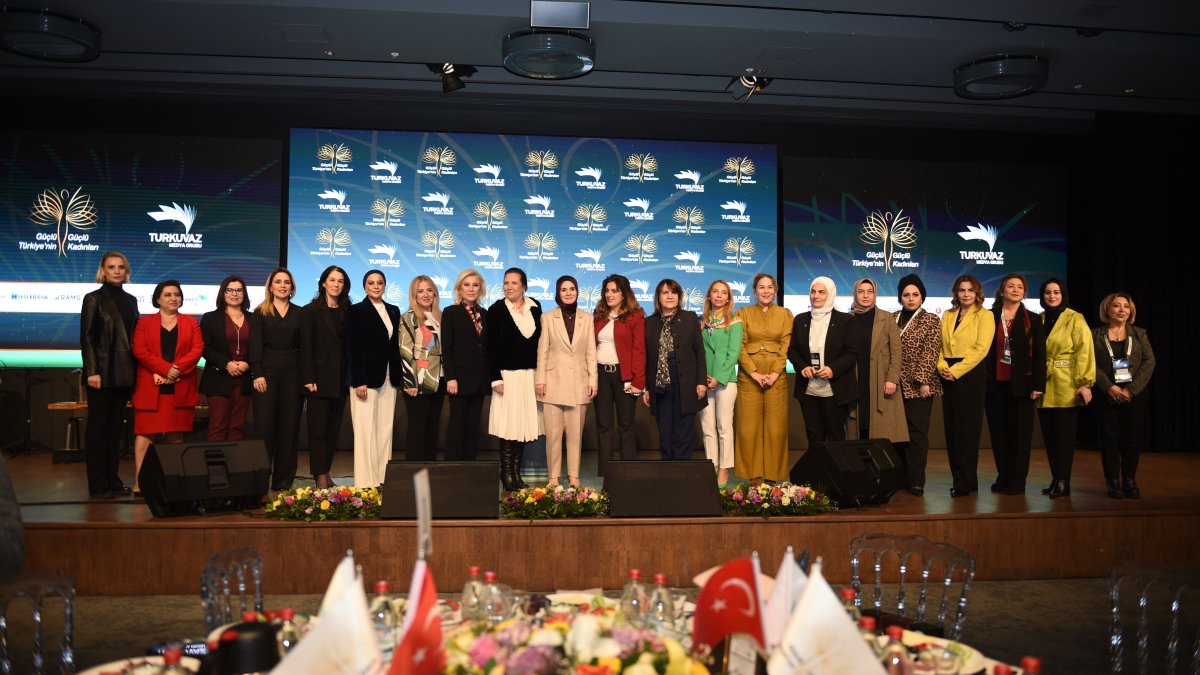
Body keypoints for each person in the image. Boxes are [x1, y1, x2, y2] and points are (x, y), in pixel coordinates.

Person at [131, 280, 204, 494]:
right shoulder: (144, 323)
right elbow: (140, 350)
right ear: (157, 299)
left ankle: (173, 481)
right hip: (150, 387)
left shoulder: (191, 323)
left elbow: (197, 349)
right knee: (145, 434)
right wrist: (165, 369)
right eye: (168, 294)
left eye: (177, 294)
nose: (174, 298)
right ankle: (140, 482)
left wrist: (176, 370)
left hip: (180, 385)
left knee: (175, 437)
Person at [79, 251, 138, 499]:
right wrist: (92, 371)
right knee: (98, 430)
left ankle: (112, 479)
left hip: (123, 374)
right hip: (101, 374)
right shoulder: (93, 298)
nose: (116, 271)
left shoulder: (132, 300)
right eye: (111, 267)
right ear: (102, 270)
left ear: (126, 271)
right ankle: (98, 483)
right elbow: (88, 337)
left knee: (116, 431)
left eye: (121, 267)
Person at [984, 274, 1046, 495]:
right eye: (1011, 286)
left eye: (1020, 287)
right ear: (1002, 291)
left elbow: (1040, 355)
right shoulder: (988, 317)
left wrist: (1038, 385)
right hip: (994, 385)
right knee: (999, 434)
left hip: (1023, 386)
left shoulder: (1033, 319)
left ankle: (1018, 480)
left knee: (1020, 436)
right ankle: (1004, 476)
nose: (1016, 289)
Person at [1035, 279, 1095, 499]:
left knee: (1064, 438)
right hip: (1044, 386)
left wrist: (1084, 383)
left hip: (1067, 385)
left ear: (1063, 295)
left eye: (1056, 292)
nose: (1052, 296)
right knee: (1050, 437)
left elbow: (1085, 351)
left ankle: (1064, 481)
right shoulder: (1039, 319)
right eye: (1047, 292)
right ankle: (1055, 478)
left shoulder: (1075, 318)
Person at [536, 276, 597, 487]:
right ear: (558, 292)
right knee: (553, 436)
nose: (568, 293)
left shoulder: (587, 318)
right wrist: (540, 379)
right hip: (552, 383)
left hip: (579, 383)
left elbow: (591, 352)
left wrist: (593, 381)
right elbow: (542, 351)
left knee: (575, 435)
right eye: (564, 289)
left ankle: (573, 476)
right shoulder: (547, 317)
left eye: (572, 289)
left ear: (578, 292)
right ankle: (553, 477)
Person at [1093, 292, 1155, 499]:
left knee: (1132, 439)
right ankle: (1112, 481)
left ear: (1131, 311)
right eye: (1116, 306)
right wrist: (1109, 387)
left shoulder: (1139, 334)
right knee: (1109, 440)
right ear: (1107, 310)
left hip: (1134, 395)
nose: (1121, 310)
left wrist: (1130, 390)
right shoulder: (1095, 335)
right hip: (1106, 394)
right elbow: (1090, 363)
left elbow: (1149, 362)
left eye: (1126, 307)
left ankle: (1129, 480)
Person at [938, 274, 995, 497]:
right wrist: (942, 366)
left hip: (970, 373)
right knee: (952, 430)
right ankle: (962, 480)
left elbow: (981, 349)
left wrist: (956, 370)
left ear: (977, 292)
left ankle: (965, 481)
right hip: (947, 373)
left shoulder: (985, 315)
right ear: (956, 293)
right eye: (962, 290)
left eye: (970, 290)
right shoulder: (948, 315)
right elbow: (940, 346)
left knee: (967, 431)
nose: (966, 294)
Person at [487, 268, 542, 489]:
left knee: (523, 424)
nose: (509, 287)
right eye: (506, 283)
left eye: (514, 283)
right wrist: (495, 378)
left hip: (530, 376)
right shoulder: (496, 310)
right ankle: (506, 473)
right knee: (509, 425)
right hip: (506, 377)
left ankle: (517, 474)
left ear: (524, 286)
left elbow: (541, 344)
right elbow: (490, 348)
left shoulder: (535, 307)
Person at [788, 276, 857, 453]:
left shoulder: (845, 321)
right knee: (814, 437)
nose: (816, 296)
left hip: (835, 390)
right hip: (809, 390)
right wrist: (802, 366)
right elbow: (792, 350)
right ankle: (816, 478)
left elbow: (851, 354)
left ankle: (836, 479)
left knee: (836, 436)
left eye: (821, 292)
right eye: (813, 291)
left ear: (831, 294)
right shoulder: (800, 319)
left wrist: (833, 369)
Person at [734, 273, 792, 482]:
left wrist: (775, 372)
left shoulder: (785, 314)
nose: (766, 291)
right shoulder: (742, 313)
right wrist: (754, 373)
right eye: (761, 287)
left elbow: (786, 345)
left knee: (775, 429)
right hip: (749, 378)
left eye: (769, 287)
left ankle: (772, 478)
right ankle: (753, 477)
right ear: (755, 291)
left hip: (776, 378)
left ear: (775, 290)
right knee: (748, 429)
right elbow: (738, 345)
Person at [347, 269, 402, 488]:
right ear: (365, 287)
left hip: (390, 377)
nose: (376, 286)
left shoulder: (394, 310)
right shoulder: (356, 311)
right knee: (365, 430)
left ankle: (382, 477)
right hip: (366, 380)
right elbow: (354, 348)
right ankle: (365, 481)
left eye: (380, 282)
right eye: (371, 283)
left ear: (385, 285)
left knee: (385, 429)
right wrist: (358, 380)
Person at [249, 268, 303, 491]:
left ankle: (283, 481)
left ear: (292, 287)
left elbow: (306, 346)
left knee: (289, 427)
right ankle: (259, 480)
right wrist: (257, 372)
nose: (282, 285)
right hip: (266, 374)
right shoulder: (259, 312)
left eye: (287, 282)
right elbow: (255, 345)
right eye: (278, 282)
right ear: (270, 286)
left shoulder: (301, 313)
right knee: (264, 427)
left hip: (294, 374)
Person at [643, 279, 707, 460]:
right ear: (658, 297)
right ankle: (668, 476)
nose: (669, 296)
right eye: (665, 292)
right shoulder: (649, 323)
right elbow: (647, 357)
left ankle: (683, 476)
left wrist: (701, 381)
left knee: (684, 435)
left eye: (673, 292)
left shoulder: (690, 318)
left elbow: (699, 352)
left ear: (679, 297)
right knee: (665, 435)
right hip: (660, 386)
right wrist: (646, 388)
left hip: (685, 384)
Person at [299, 265, 351, 489]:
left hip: (340, 379)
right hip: (318, 379)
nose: (336, 284)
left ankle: (326, 472)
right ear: (323, 283)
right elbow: (305, 347)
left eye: (340, 281)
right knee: (317, 431)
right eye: (332, 280)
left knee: (333, 431)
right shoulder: (310, 311)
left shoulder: (348, 309)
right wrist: (308, 377)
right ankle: (319, 474)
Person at [892, 274, 943, 496]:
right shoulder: (891, 318)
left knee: (917, 434)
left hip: (918, 386)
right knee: (896, 434)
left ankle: (916, 480)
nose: (911, 299)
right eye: (906, 295)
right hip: (894, 385)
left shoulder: (931, 319)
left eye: (915, 294)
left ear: (922, 296)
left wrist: (923, 381)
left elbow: (931, 352)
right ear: (900, 297)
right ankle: (900, 477)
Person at [592, 274, 646, 476]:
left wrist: (637, 381)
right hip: (601, 375)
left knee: (626, 424)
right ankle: (606, 471)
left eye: (614, 290)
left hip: (624, 377)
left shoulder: (635, 316)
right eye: (607, 290)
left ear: (624, 294)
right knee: (603, 424)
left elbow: (639, 350)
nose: (610, 294)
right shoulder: (598, 316)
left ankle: (628, 470)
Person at [848, 277, 908, 445]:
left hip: (880, 379)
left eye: (870, 291)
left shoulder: (887, 318)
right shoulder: (847, 318)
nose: (865, 296)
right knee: (858, 427)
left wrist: (892, 379)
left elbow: (897, 351)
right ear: (855, 294)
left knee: (880, 431)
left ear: (875, 294)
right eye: (861, 291)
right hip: (857, 377)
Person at [199, 275, 256, 442]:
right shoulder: (210, 318)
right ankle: (215, 468)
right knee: (218, 426)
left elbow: (258, 347)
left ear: (244, 294)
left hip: (244, 379)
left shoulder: (254, 318)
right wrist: (226, 364)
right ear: (223, 293)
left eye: (239, 290)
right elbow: (205, 347)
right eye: (230, 290)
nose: (234, 294)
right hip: (218, 378)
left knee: (237, 427)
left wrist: (247, 363)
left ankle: (234, 467)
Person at [442, 269, 489, 462]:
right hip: (459, 381)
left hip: (479, 382)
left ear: (481, 289)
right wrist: (451, 377)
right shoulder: (451, 312)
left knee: (472, 427)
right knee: (457, 426)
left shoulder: (485, 314)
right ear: (459, 288)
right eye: (466, 285)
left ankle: (470, 468)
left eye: (475, 285)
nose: (471, 289)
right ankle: (452, 468)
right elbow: (447, 347)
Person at [700, 280, 742, 487]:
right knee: (707, 426)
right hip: (704, 381)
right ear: (709, 296)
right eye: (715, 291)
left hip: (725, 382)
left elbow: (733, 354)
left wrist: (719, 377)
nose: (718, 296)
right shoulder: (702, 322)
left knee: (724, 426)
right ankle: (712, 466)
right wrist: (703, 378)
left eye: (723, 293)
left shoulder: (735, 322)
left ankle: (724, 469)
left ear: (728, 298)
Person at [399, 275, 445, 462]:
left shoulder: (441, 317)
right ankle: (414, 474)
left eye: (429, 290)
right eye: (420, 291)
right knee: (418, 428)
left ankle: (429, 472)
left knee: (432, 428)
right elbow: (404, 351)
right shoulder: (408, 318)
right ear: (414, 295)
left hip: (439, 380)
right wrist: (410, 382)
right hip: (417, 382)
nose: (425, 294)